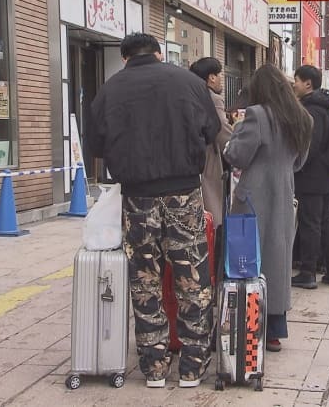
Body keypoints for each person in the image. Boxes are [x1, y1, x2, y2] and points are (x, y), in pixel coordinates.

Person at [86, 32, 220, 389]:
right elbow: (212, 130)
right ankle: (193, 368)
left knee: (145, 281)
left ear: (125, 58)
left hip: (138, 197)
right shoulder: (188, 82)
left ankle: (155, 368)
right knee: (191, 276)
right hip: (184, 193)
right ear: (160, 54)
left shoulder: (110, 89)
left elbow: (95, 144)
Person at [223, 64, 313, 353]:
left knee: (246, 261)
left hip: (252, 198)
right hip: (284, 195)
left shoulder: (258, 115)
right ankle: (274, 330)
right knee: (278, 260)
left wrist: (234, 135)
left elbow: (236, 155)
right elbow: (299, 164)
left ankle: (247, 326)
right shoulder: (302, 117)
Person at [290, 65, 329, 289]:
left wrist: (296, 165)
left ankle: (308, 272)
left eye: (297, 80)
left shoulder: (310, 110)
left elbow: (310, 146)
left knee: (310, 223)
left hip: (311, 176)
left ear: (308, 83)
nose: (294, 84)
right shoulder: (327, 108)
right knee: (326, 223)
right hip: (327, 175)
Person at [189, 57, 233, 234]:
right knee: (212, 207)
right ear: (212, 77)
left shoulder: (191, 93)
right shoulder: (213, 98)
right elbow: (222, 130)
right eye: (220, 74)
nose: (221, 78)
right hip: (209, 156)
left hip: (193, 156)